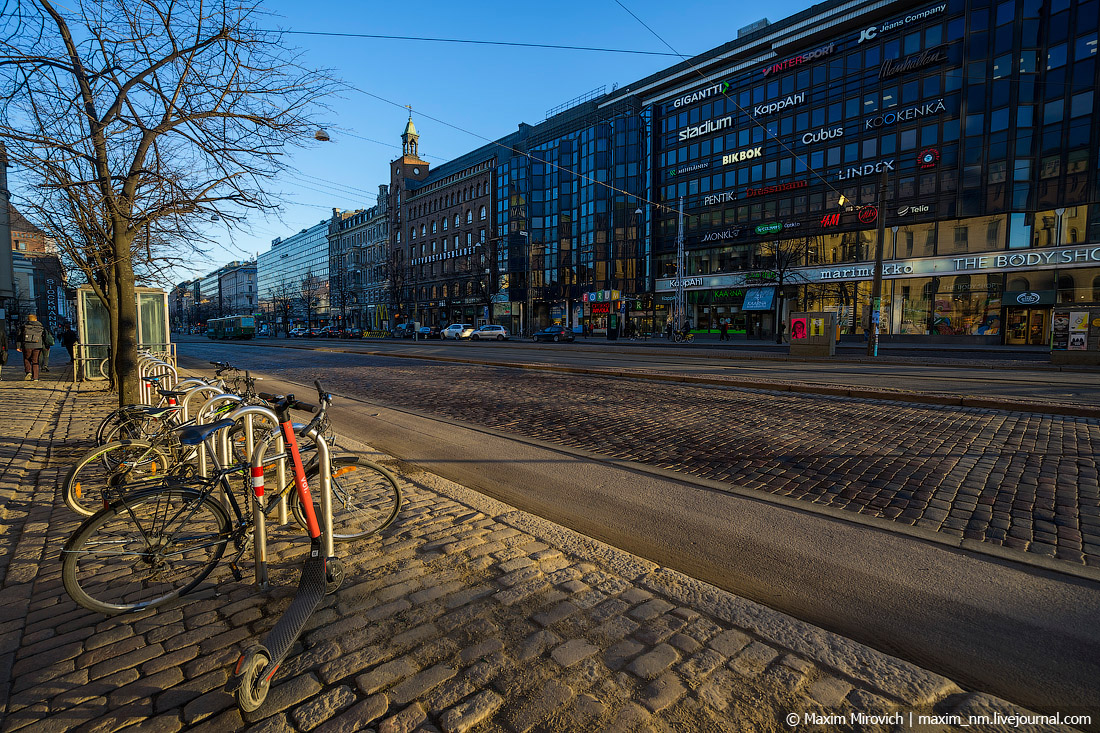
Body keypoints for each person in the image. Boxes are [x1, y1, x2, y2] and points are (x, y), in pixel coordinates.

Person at [17, 314, 46, 382]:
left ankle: (28, 372)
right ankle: (35, 377)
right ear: (36, 319)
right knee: (35, 361)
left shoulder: (24, 326)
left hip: (26, 345)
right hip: (37, 345)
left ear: (28, 319)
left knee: (27, 359)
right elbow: (44, 336)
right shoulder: (40, 326)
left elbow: (19, 337)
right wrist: (44, 345)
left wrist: (18, 346)